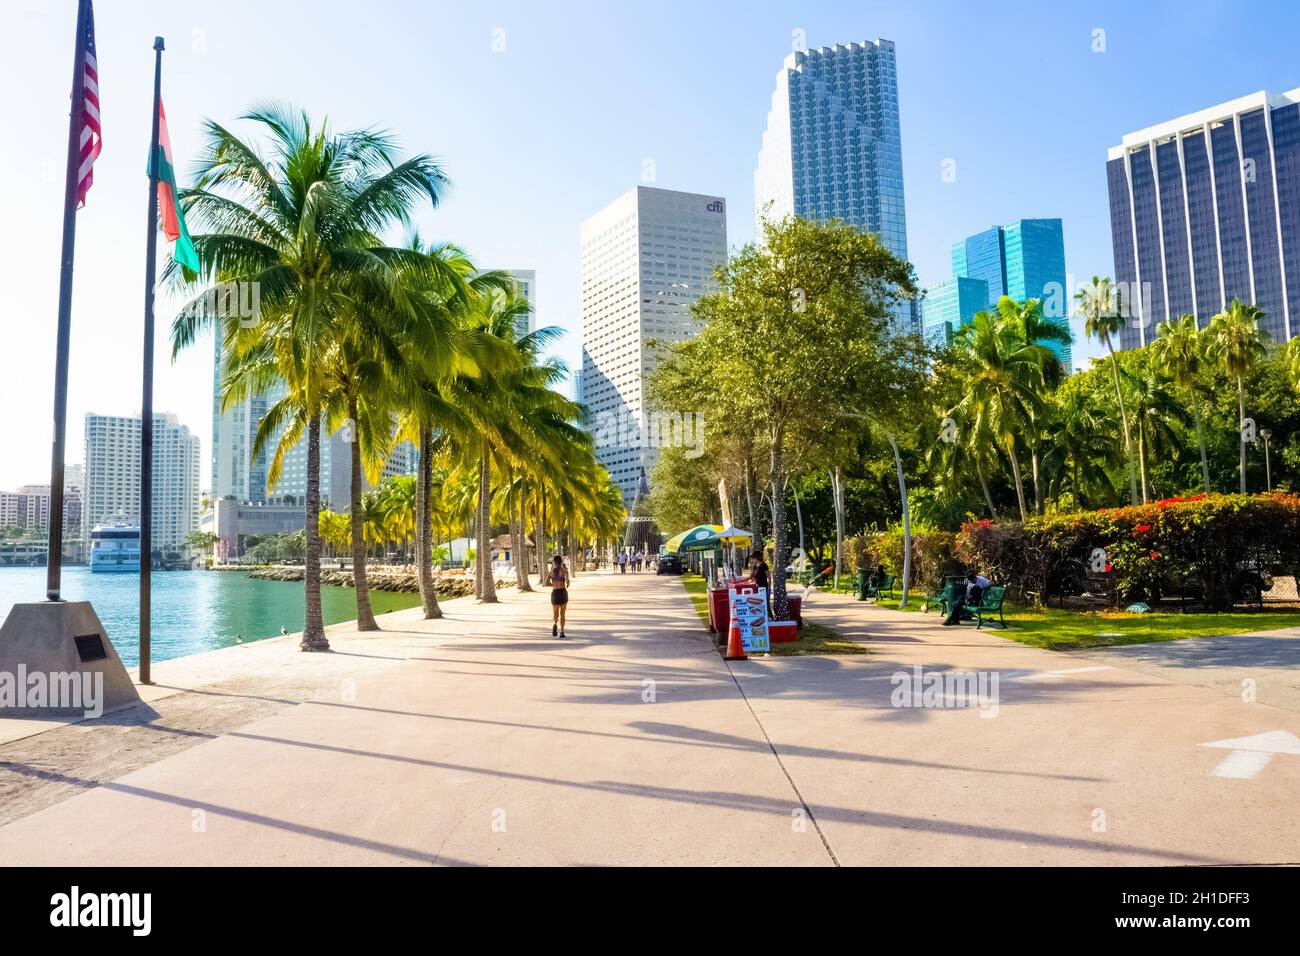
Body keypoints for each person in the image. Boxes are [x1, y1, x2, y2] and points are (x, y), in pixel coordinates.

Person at [548, 554, 571, 637]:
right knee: (563, 614)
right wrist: (567, 583)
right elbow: (567, 583)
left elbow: (546, 583)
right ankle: (562, 631)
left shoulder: (551, 572)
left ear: (554, 562)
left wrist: (553, 584)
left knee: (555, 613)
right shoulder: (565, 571)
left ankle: (554, 624)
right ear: (561, 561)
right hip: (563, 592)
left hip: (555, 592)